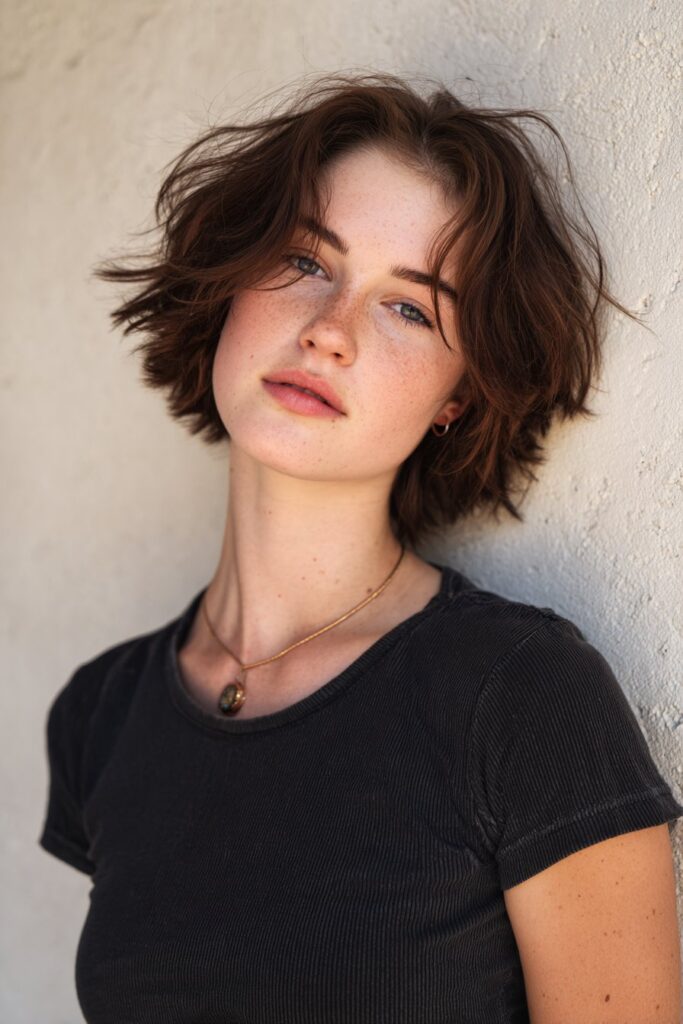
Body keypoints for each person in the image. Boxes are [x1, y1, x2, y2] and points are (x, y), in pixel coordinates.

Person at [38, 71, 682, 1023]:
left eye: (409, 308)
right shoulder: (102, 716)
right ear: (229, 281)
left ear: (456, 397)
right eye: (305, 261)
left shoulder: (522, 699)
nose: (329, 332)